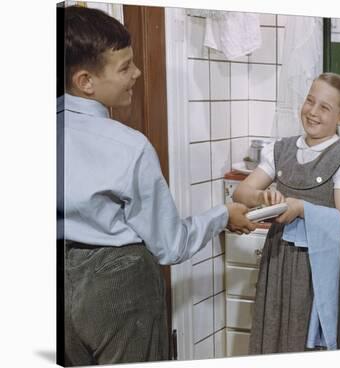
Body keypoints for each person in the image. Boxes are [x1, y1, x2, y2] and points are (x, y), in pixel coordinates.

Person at [60, 5, 256, 366]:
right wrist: (223, 215)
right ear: (85, 81)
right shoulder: (129, 147)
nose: (136, 73)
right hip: (117, 287)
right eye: (124, 67)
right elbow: (171, 246)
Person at [232, 72, 340, 353]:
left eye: (325, 107)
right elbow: (241, 193)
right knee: (276, 331)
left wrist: (301, 208)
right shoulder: (281, 149)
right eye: (310, 101)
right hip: (280, 258)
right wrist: (263, 196)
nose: (313, 112)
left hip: (321, 264)